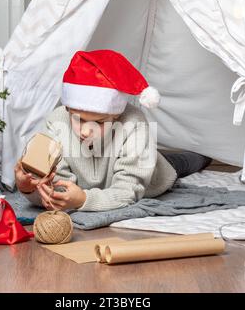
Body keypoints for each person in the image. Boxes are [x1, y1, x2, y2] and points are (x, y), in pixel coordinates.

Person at [15, 50, 211, 212]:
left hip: (152, 171)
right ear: (68, 109)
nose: (85, 131)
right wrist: (28, 188)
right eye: (79, 120)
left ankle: (202, 156)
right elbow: (56, 188)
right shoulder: (56, 121)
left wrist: (84, 200)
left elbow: (127, 190)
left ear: (116, 115)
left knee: (182, 162)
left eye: (98, 123)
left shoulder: (134, 124)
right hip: (112, 169)